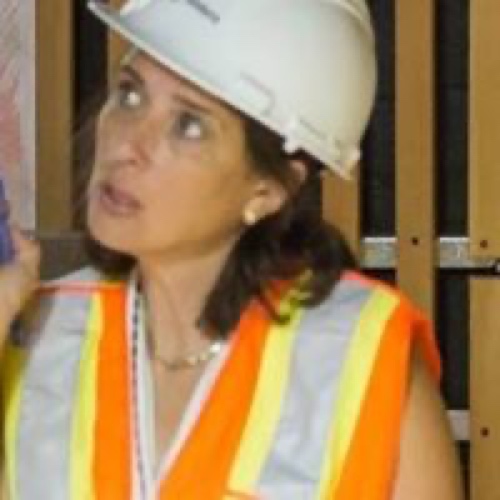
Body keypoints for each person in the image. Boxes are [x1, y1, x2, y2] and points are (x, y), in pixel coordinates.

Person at [0, 0, 464, 498]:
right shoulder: (31, 333)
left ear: (269, 189)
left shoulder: (363, 357)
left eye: (189, 125)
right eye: (131, 95)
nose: (125, 146)